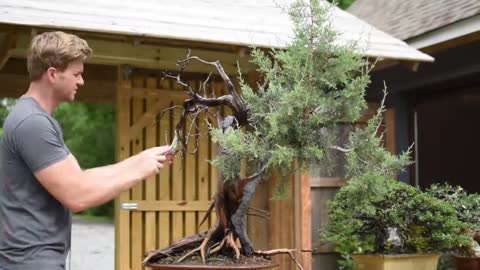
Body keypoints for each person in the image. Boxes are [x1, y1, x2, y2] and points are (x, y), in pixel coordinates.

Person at [0, 31, 172, 270]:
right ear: (52, 74)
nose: (81, 81)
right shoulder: (32, 123)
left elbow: (80, 178)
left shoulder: (37, 119)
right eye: (76, 74)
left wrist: (140, 160)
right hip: (29, 262)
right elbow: (78, 196)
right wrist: (139, 171)